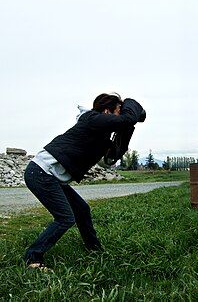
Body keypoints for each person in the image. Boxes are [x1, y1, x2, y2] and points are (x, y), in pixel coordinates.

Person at [23, 93, 145, 270]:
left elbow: (110, 160)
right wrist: (130, 104)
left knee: (82, 209)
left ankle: (94, 250)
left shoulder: (100, 135)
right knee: (65, 218)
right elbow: (125, 120)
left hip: (51, 177)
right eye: (119, 111)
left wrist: (127, 129)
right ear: (106, 111)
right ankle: (33, 258)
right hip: (41, 172)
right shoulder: (91, 118)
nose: (122, 115)